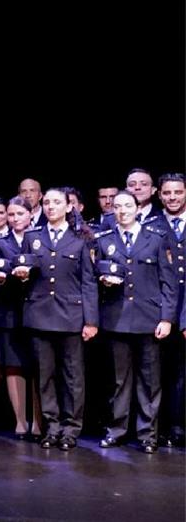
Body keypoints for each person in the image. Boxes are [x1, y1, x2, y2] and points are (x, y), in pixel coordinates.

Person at [12, 187, 98, 451]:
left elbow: (88, 281)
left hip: (71, 316)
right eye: (47, 202)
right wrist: (22, 276)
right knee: (44, 375)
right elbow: (25, 274)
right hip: (40, 315)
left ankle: (71, 428)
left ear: (68, 207)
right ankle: (52, 426)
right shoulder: (33, 236)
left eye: (56, 202)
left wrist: (91, 320)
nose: (50, 207)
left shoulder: (80, 238)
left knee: (72, 377)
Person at [96, 190, 177, 453]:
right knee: (119, 381)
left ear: (137, 208)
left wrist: (166, 318)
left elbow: (169, 283)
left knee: (149, 381)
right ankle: (117, 430)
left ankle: (147, 435)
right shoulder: (104, 240)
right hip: (116, 318)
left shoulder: (155, 239)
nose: (122, 211)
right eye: (117, 207)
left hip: (148, 319)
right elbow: (95, 278)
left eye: (127, 206)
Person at [0, 196, 41, 440]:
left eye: (19, 214)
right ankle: (20, 421)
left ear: (30, 215)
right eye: (10, 215)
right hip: (8, 310)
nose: (14, 219)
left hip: (38, 309)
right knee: (13, 364)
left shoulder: (41, 240)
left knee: (38, 366)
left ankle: (39, 422)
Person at [144, 173, 185, 447]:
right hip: (159, 312)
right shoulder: (151, 225)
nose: (172, 197)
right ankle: (159, 428)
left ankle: (180, 426)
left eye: (178, 192)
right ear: (160, 194)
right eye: (167, 193)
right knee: (158, 373)